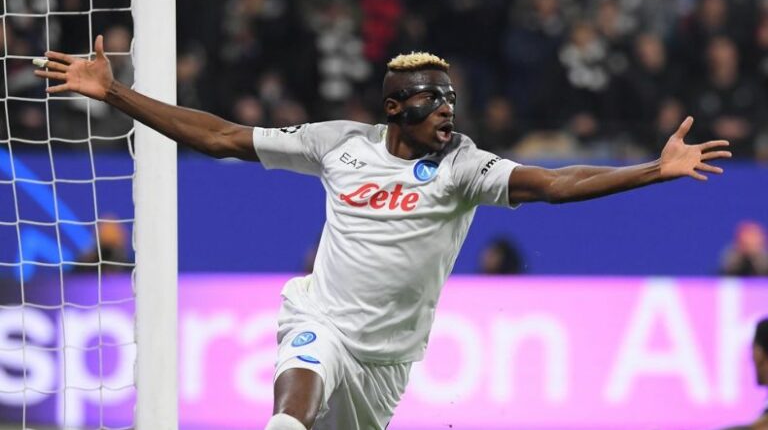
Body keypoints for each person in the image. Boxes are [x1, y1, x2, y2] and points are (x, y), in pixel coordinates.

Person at [33, 36, 731, 430]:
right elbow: (221, 137)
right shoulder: (338, 143)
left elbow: (554, 183)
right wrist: (115, 92)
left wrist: (654, 170)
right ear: (395, 108)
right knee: (295, 394)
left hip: (386, 363)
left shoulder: (463, 167)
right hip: (322, 321)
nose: (448, 111)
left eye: (451, 98)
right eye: (433, 100)